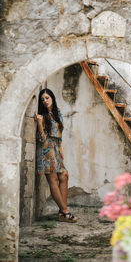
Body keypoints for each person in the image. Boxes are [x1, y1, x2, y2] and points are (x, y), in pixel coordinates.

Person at [35, 88, 77, 223]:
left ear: (52, 97)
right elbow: (41, 139)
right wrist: (40, 124)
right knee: (53, 180)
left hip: (57, 150)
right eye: (42, 100)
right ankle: (65, 212)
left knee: (64, 175)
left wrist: (61, 153)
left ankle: (62, 210)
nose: (45, 101)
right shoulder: (42, 115)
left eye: (47, 98)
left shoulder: (57, 112)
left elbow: (59, 137)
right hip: (46, 151)